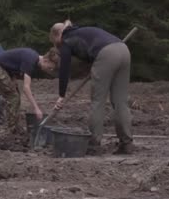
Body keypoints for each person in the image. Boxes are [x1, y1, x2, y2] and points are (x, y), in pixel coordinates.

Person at [49, 20, 134, 154]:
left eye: (56, 42)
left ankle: (94, 145)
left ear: (58, 35)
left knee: (97, 101)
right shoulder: (81, 32)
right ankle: (126, 144)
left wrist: (61, 95)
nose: (58, 46)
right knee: (120, 102)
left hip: (106, 54)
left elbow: (64, 69)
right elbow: (89, 55)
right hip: (123, 49)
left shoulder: (66, 40)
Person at [0, 48, 58, 134]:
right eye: (49, 67)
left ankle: (15, 126)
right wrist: (36, 108)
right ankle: (11, 129)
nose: (49, 70)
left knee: (15, 95)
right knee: (13, 96)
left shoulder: (34, 59)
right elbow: (26, 88)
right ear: (46, 60)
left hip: (7, 70)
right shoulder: (31, 60)